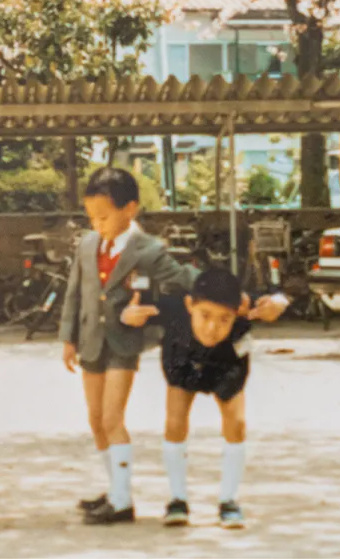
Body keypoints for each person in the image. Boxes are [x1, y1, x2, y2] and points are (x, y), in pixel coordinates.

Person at [58, 168, 200, 526]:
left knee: (112, 418)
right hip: (91, 340)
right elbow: (75, 294)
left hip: (124, 342)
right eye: (91, 217)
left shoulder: (148, 250)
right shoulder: (87, 245)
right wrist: (68, 338)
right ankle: (115, 488)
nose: (97, 224)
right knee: (95, 419)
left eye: (104, 217)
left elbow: (183, 278)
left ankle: (122, 502)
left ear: (130, 209)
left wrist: (224, 289)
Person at [120, 267, 286, 530]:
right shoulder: (174, 307)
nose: (212, 327)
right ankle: (177, 499)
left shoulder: (245, 305)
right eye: (204, 315)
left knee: (236, 423)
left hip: (228, 360)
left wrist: (278, 303)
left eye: (224, 319)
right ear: (190, 305)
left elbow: (279, 298)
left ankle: (229, 501)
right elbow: (132, 307)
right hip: (182, 357)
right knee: (175, 422)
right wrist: (127, 314)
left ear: (238, 311)